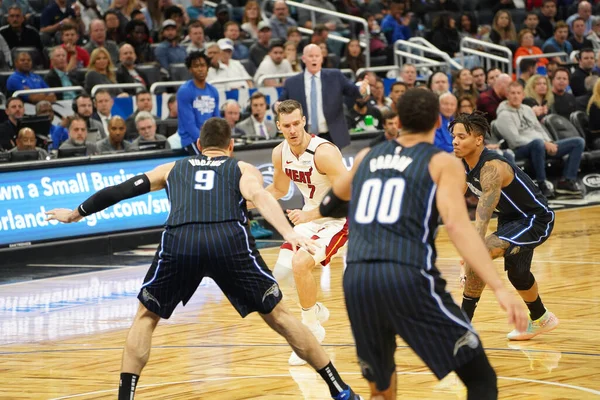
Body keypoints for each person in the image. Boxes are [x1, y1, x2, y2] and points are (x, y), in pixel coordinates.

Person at [46, 117, 362, 400]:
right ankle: (340, 390)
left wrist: (75, 213)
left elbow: (122, 190)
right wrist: (288, 232)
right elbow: (261, 196)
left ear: (198, 146)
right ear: (231, 145)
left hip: (180, 241)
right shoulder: (241, 168)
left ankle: (124, 397)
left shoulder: (173, 168)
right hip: (229, 242)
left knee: (145, 318)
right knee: (280, 317)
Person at [319, 89, 528, 400]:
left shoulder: (366, 157)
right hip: (407, 277)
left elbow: (329, 204)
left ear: (398, 120)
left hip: (358, 279)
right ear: (436, 121)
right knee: (481, 379)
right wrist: (498, 287)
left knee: (380, 390)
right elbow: (458, 227)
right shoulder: (441, 162)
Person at [450, 109, 558, 342]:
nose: (455, 141)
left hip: (534, 218)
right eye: (454, 136)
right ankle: (541, 317)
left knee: (484, 250)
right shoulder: (461, 164)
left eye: (461, 136)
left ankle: (461, 326)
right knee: (518, 274)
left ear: (478, 140)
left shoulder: (492, 168)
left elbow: (482, 215)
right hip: (511, 220)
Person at [263, 100, 350, 366]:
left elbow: (346, 196)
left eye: (296, 123)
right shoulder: (280, 153)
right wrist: (248, 200)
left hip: (337, 220)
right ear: (279, 126)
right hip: (310, 218)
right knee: (282, 275)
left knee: (301, 264)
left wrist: (311, 215)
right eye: (286, 125)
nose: (292, 130)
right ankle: (315, 312)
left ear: (304, 121)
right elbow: (277, 190)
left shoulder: (323, 153)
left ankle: (311, 331)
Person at [495, 82, 584, 197]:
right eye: (512, 93)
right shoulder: (503, 115)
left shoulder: (527, 109)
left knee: (578, 142)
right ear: (507, 95)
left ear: (523, 95)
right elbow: (515, 140)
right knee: (537, 144)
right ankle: (541, 184)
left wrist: (549, 142)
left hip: (542, 145)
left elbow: (539, 128)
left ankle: (566, 182)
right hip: (520, 150)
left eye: (518, 93)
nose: (516, 96)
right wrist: (543, 143)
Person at [277, 44, 369, 149]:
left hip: (332, 135)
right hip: (304, 136)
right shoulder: (292, 82)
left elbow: (353, 91)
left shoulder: (335, 76)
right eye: (311, 56)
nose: (314, 59)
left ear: (322, 58)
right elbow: (280, 103)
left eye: (317, 56)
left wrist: (361, 90)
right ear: (303, 58)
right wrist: (276, 107)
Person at [177, 51, 220, 154]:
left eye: (203, 65)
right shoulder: (185, 91)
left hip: (210, 140)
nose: (200, 69)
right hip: (192, 140)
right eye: (196, 66)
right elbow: (189, 125)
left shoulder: (213, 91)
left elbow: (217, 119)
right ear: (190, 70)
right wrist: (206, 141)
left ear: (208, 67)